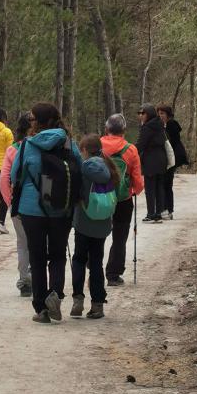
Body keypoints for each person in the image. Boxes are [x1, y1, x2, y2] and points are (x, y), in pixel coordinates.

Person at [10, 101, 81, 323]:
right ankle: (55, 295)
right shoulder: (69, 143)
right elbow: (80, 170)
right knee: (58, 255)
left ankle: (41, 309)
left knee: (37, 257)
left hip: (32, 210)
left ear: (37, 122)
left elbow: (15, 176)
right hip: (62, 208)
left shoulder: (27, 145)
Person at [70, 134, 120, 320]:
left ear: (84, 150)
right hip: (103, 223)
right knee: (96, 263)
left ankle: (78, 300)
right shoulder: (109, 167)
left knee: (79, 260)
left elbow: (76, 194)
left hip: (83, 222)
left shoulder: (83, 169)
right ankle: (97, 305)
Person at [102, 114, 143, 286]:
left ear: (107, 129)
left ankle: (93, 269)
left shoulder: (97, 145)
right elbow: (137, 179)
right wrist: (134, 190)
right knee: (119, 237)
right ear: (124, 130)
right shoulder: (131, 149)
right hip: (122, 199)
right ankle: (113, 274)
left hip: (100, 198)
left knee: (97, 235)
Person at [0, 112, 33, 296]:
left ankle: (25, 281)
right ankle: (37, 277)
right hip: (42, 204)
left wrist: (11, 203)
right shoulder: (45, 147)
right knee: (40, 241)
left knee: (23, 242)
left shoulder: (13, 149)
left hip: (19, 204)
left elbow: (3, 180)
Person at [156, 103, 189, 220]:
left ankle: (168, 210)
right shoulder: (166, 125)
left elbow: (172, 142)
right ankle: (166, 210)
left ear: (168, 114)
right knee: (166, 183)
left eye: (162, 113)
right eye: (159, 113)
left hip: (173, 157)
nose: (160, 116)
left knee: (166, 183)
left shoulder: (171, 124)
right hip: (171, 157)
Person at [137, 103, 168, 223]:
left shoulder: (147, 127)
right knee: (159, 187)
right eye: (139, 113)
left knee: (150, 188)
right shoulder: (159, 124)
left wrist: (128, 152)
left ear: (149, 114)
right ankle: (159, 213)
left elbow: (140, 145)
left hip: (151, 160)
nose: (140, 115)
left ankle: (151, 214)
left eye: (143, 113)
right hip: (161, 158)